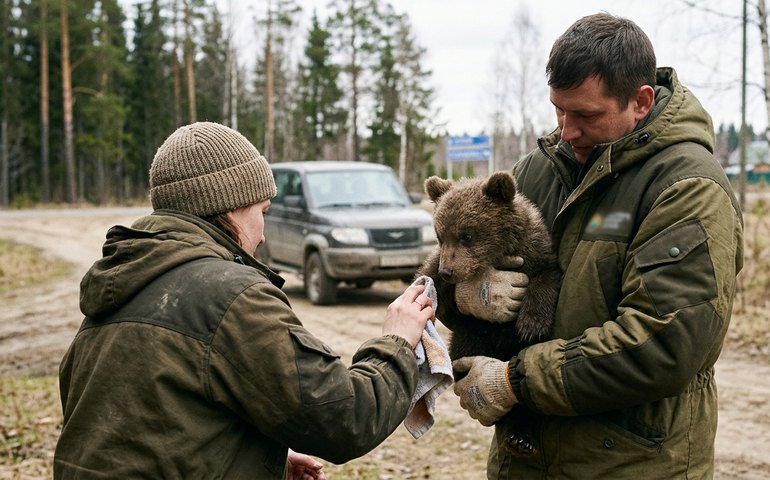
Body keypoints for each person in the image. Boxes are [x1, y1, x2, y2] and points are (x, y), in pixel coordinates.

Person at [444, 12, 744, 479]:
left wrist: (515, 380)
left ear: (641, 101)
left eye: (585, 114)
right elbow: (454, 265)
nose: (566, 130)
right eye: (558, 110)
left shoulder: (686, 188)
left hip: (630, 463)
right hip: (525, 460)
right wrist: (463, 294)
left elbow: (663, 344)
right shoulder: (537, 171)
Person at [53, 121, 435, 479]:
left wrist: (258, 455)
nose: (264, 235)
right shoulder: (232, 296)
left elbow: (142, 425)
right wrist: (397, 341)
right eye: (262, 212)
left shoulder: (120, 285)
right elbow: (344, 419)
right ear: (231, 204)